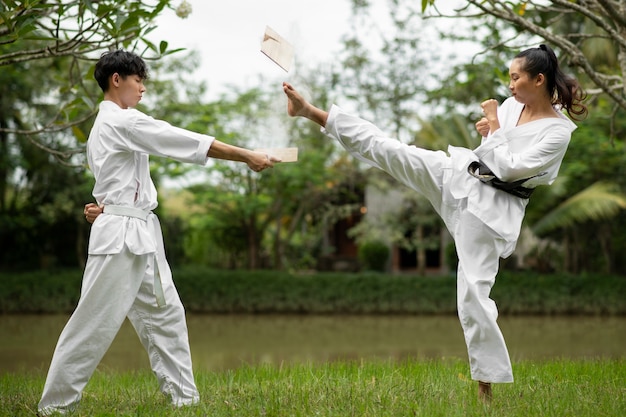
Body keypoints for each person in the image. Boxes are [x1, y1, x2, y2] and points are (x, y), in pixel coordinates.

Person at [282, 44, 587, 401]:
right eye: (509, 77)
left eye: (516, 77)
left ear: (539, 79)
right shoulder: (511, 107)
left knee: (473, 294)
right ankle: (312, 112)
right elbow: (490, 151)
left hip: (489, 212)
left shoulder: (557, 133)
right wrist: (490, 131)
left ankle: (485, 389)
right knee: (392, 150)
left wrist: (494, 125)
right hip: (459, 175)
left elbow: (510, 168)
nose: (509, 86)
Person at [38, 49, 280, 416]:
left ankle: (185, 400)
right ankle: (54, 407)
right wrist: (246, 155)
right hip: (120, 236)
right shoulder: (122, 122)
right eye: (138, 80)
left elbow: (115, 180)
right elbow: (179, 140)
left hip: (137, 231)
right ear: (116, 80)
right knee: (93, 323)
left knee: (166, 316)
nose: (142, 89)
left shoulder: (108, 127)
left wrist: (103, 207)